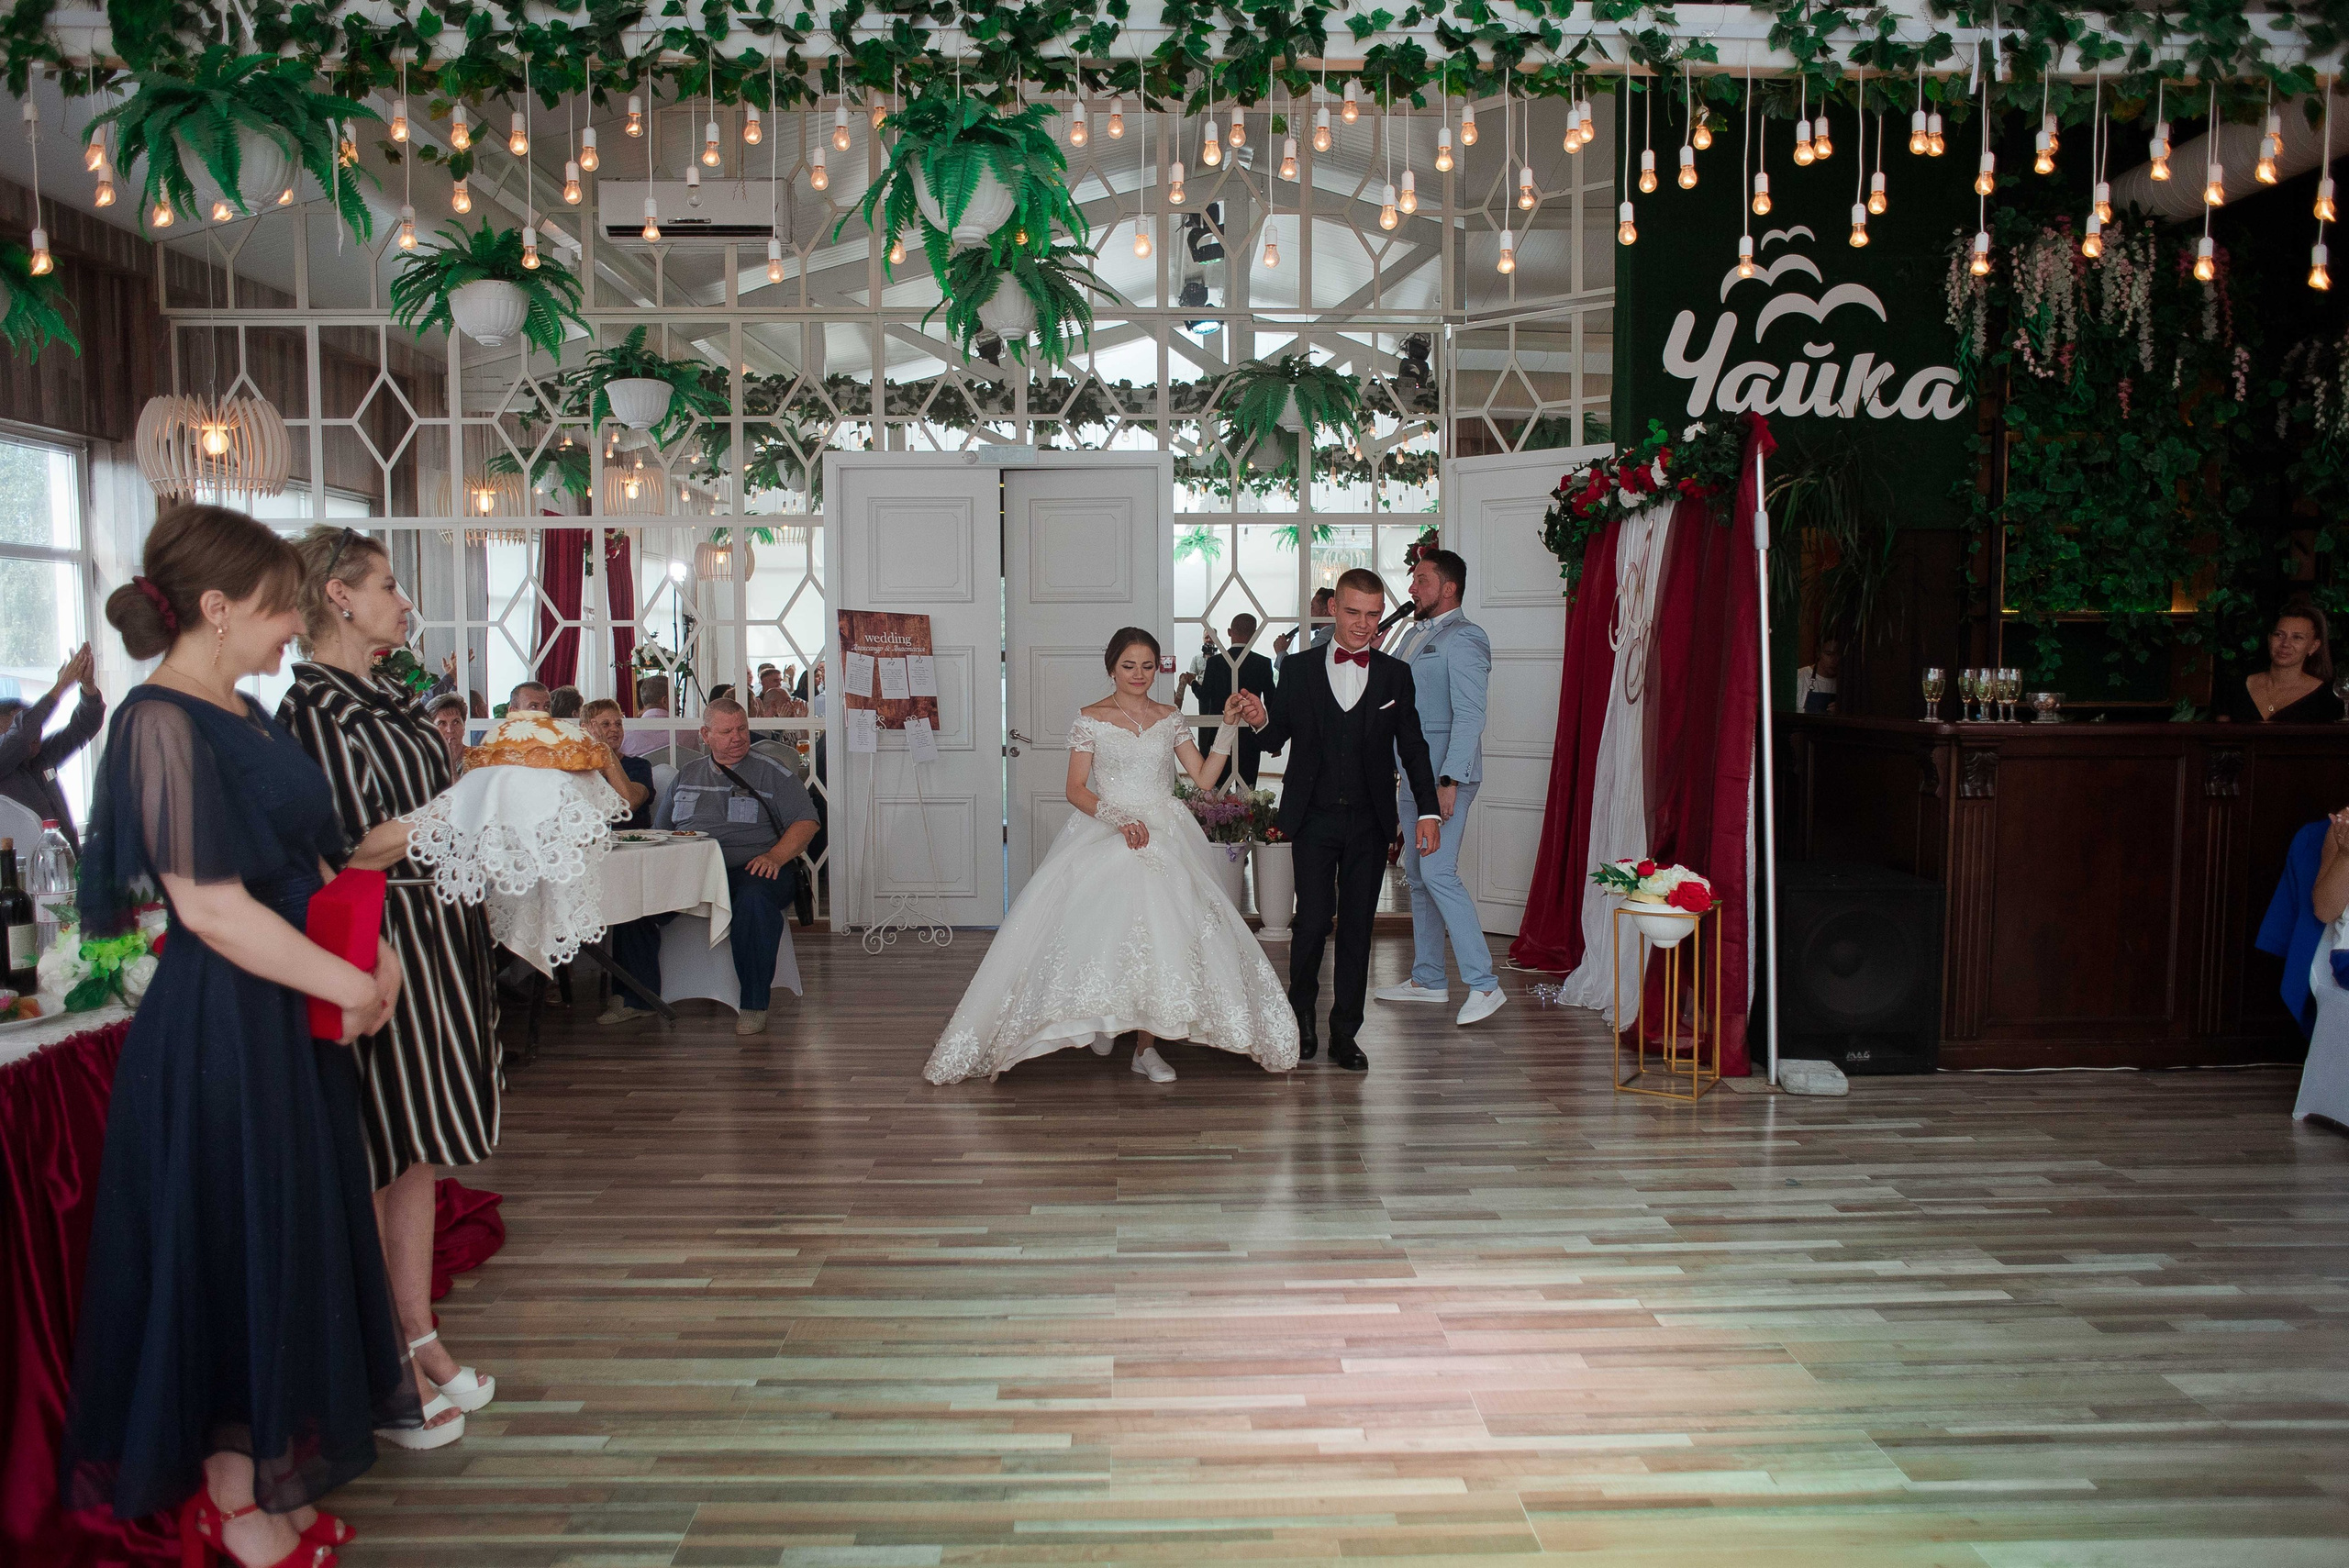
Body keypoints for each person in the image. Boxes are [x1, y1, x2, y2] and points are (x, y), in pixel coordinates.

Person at [59, 504, 416, 1568]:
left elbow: (308, 863)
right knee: (230, 1249)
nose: (288, 629)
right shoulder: (159, 719)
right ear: (216, 609)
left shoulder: (249, 710)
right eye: (275, 611)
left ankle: (257, 1473)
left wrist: (374, 953)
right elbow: (209, 905)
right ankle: (234, 1495)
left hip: (287, 1011)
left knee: (285, 1236)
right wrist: (346, 980)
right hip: (220, 1026)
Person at [278, 524, 506, 1454]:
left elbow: (422, 811)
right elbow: (347, 843)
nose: (403, 601)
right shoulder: (314, 713)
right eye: (385, 585)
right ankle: (385, 1364)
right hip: (376, 938)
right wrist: (471, 810)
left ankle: (418, 1329)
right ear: (335, 596)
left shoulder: (391, 696)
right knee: (375, 1151)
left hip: (434, 925)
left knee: (418, 1149)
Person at [924, 628, 1298, 1085]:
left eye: (1146, 666)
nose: (1138, 675)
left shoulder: (1169, 717)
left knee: (1164, 935)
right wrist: (1119, 819)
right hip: (1109, 826)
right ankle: (1106, 1016)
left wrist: (1226, 727)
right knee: (1104, 931)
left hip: (1165, 830)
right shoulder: (1091, 718)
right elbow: (1075, 789)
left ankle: (1146, 1047)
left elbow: (1202, 779)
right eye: (1128, 666)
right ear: (1111, 668)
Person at [1230, 569, 1442, 1073]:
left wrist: (1428, 809)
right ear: (1333, 610)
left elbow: (1412, 748)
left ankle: (1346, 1033)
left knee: (1357, 929)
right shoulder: (1299, 669)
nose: (1364, 625)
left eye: (1372, 614)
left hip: (1370, 823)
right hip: (1313, 819)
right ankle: (1301, 1019)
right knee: (1310, 923)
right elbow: (1275, 737)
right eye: (1353, 612)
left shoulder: (1395, 675)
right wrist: (1260, 718)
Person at [607, 698, 818, 1035]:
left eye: (742, 729)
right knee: (638, 897)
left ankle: (753, 1004)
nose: (737, 737)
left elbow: (807, 822)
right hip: (691, 869)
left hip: (752, 869)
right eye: (726, 731)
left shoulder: (772, 772)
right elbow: (662, 831)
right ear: (705, 734)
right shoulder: (687, 776)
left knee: (754, 902)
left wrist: (775, 857)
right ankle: (636, 998)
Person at [1373, 550, 1502, 1026]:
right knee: (1420, 876)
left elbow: (1470, 715)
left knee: (1439, 872)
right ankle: (1428, 978)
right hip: (1412, 774)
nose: (1411, 590)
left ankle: (1484, 985)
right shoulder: (1411, 633)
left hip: (1444, 778)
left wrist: (1450, 780)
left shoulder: (1466, 638)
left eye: (1421, 581)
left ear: (1448, 587)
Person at [0, 640, 104, 850]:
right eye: (26, 723)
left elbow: (85, 726)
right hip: (25, 875)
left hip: (70, 864)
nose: (36, 732)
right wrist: (60, 687)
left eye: (38, 726)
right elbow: (19, 737)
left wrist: (88, 685)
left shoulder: (42, 756)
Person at [1192, 613, 1281, 788]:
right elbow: (1272, 701)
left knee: (1218, 787)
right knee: (1247, 787)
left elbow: (1204, 696)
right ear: (1255, 633)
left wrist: (1193, 683)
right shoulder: (1262, 663)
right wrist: (1273, 738)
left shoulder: (1215, 663)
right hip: (1251, 733)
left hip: (1221, 731)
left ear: (1229, 632)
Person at [2220, 600, 2344, 723]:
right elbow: (2220, 737)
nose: (2285, 644)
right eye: (2279, 635)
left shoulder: (2327, 698)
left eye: (2297, 637)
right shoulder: (2235, 687)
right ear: (2269, 639)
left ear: (2313, 646)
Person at [583, 697, 655, 828]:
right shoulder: (578, 769)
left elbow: (629, 804)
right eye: (605, 724)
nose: (614, 729)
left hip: (634, 842)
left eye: (618, 724)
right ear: (586, 730)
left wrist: (605, 751)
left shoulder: (639, 765)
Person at [1274, 587, 1336, 670]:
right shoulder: (1332, 634)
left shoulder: (1323, 640)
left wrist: (1281, 652)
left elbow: (1298, 672)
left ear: (1325, 612)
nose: (1308, 612)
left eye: (1312, 607)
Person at [624, 674, 673, 757]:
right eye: (676, 697)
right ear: (665, 701)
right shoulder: (688, 732)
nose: (678, 701)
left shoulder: (626, 736)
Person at [1795, 637, 1842, 715]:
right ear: (1818, 653)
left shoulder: (1846, 684)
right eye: (1829, 654)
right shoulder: (1800, 677)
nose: (1834, 660)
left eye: (1838, 654)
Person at [429, 692, 470, 773]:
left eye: (456, 722)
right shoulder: (425, 763)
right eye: (442, 723)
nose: (450, 730)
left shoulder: (479, 759)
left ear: (464, 725)